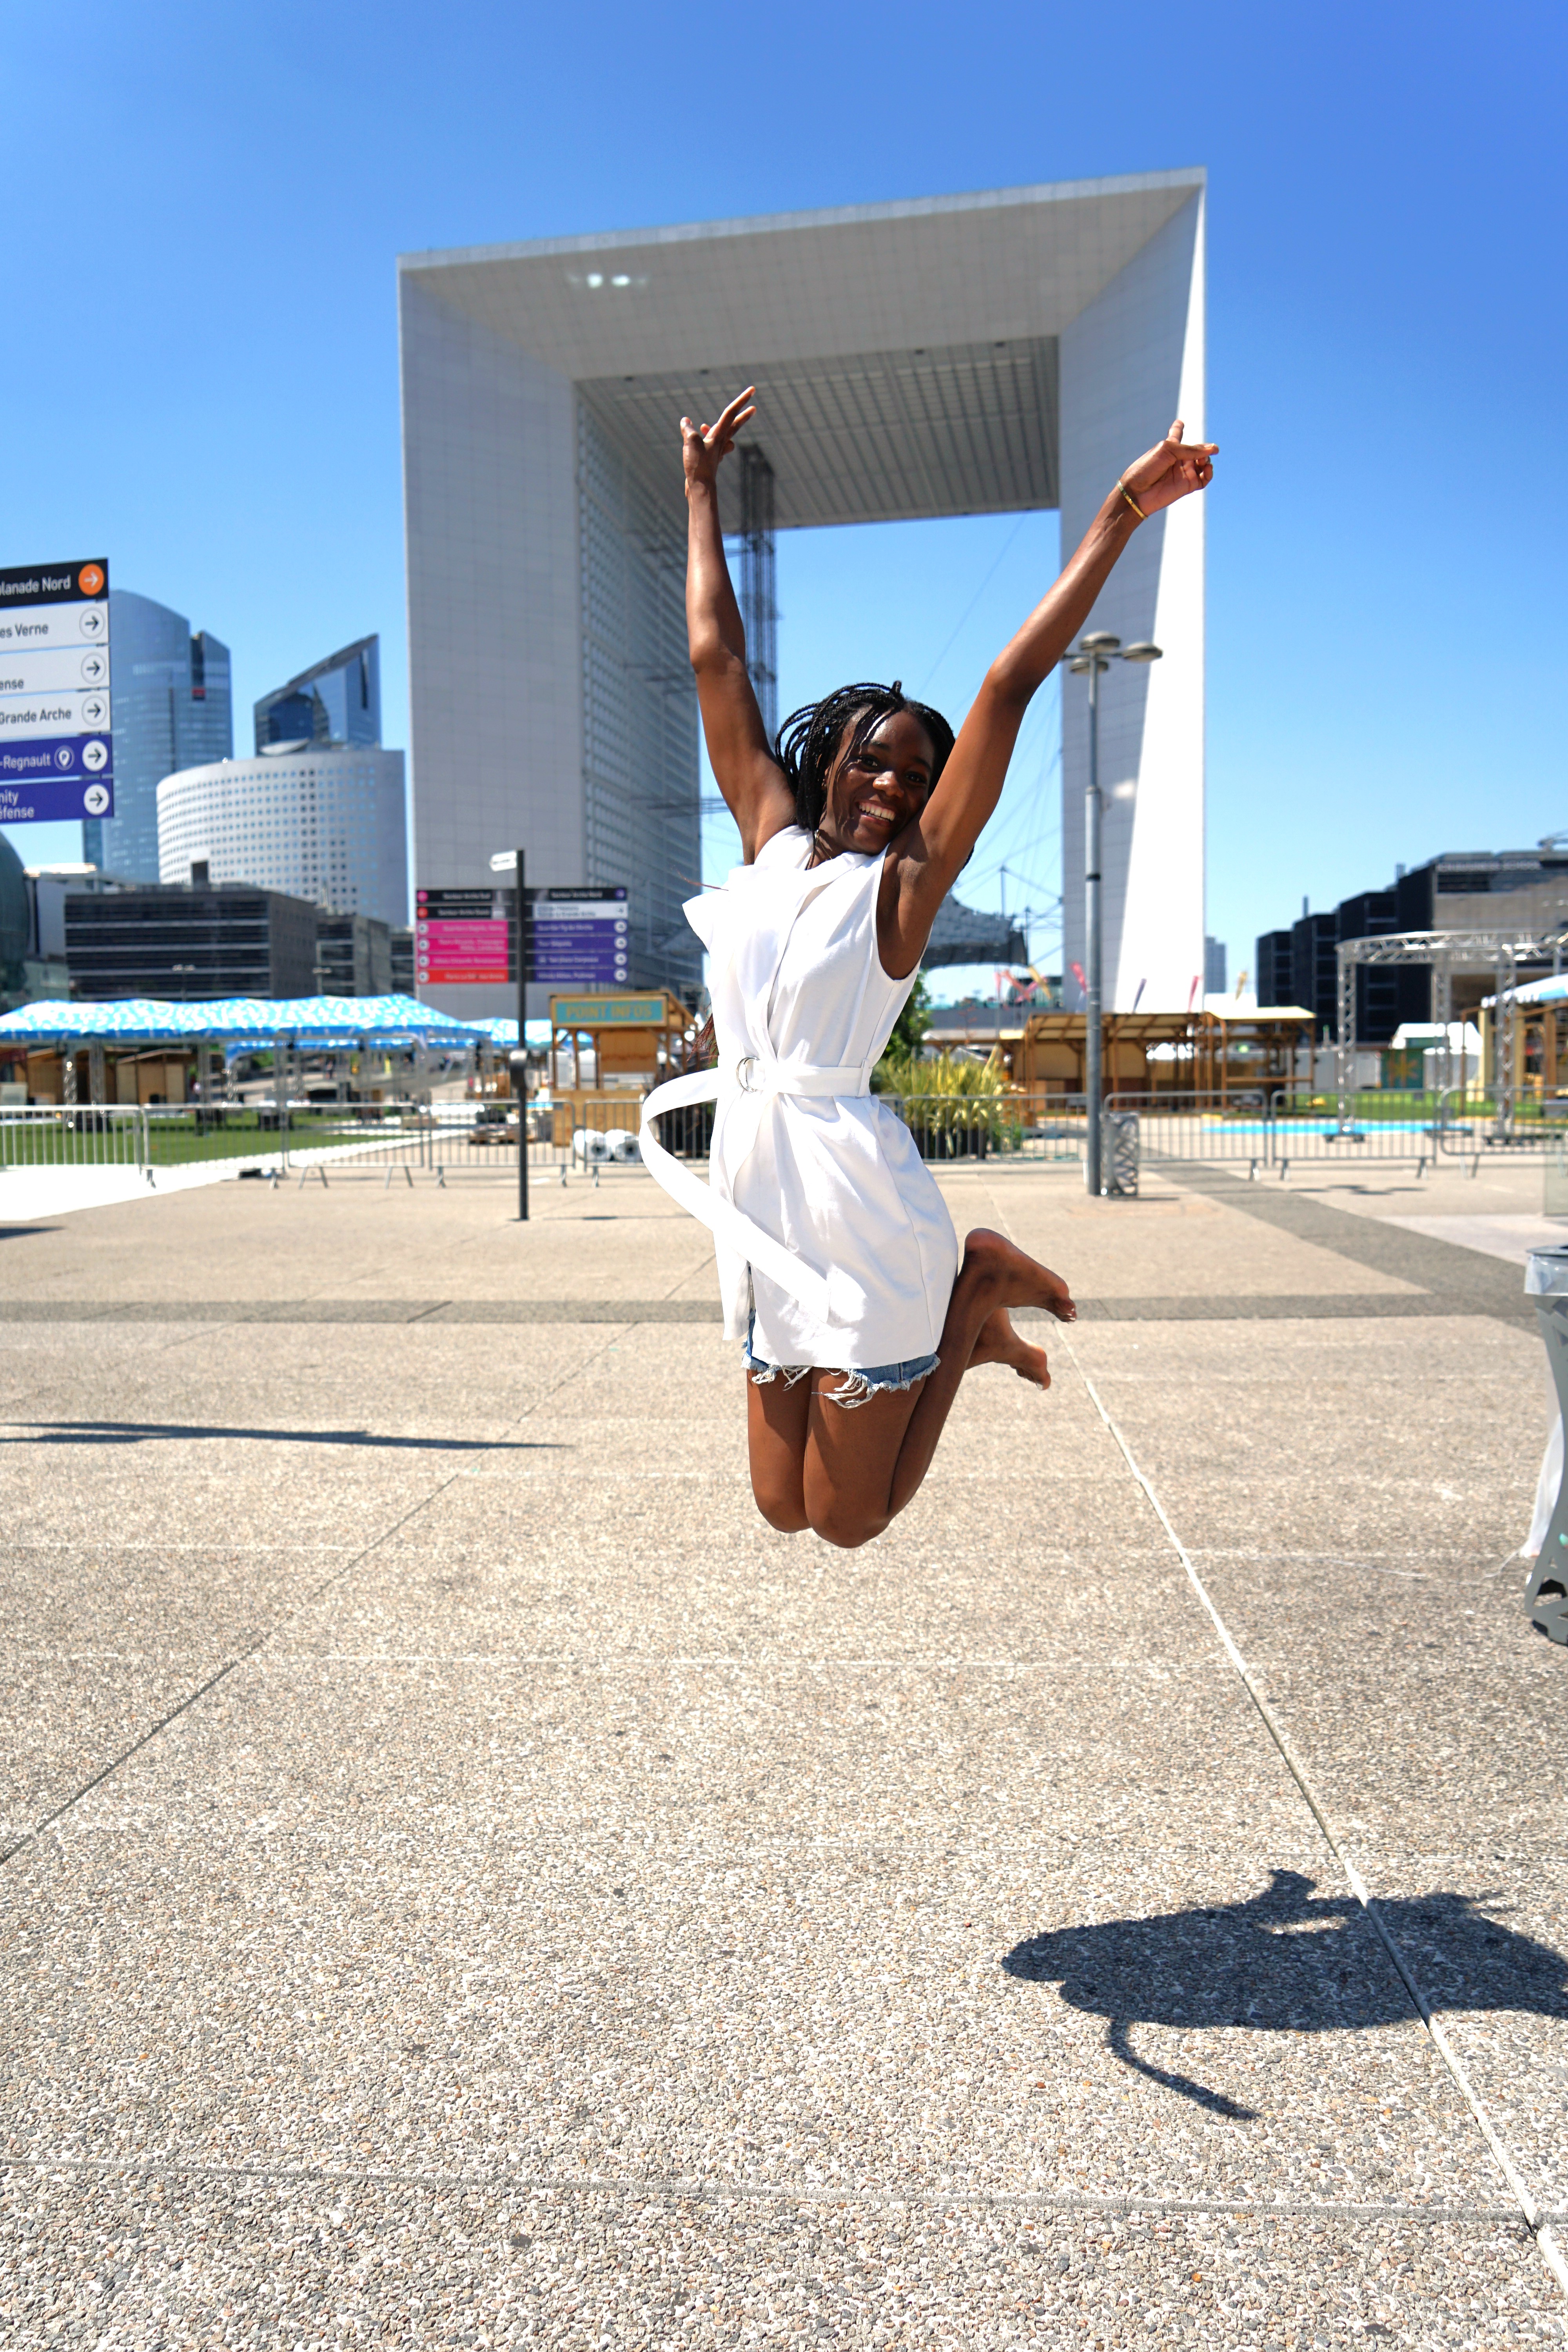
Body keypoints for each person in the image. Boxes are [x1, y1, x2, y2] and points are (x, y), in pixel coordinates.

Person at [640, 386, 1216, 1548]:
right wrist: (700, 489)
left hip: (854, 1201)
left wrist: (1119, 513)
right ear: (832, 762)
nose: (893, 786)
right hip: (759, 1184)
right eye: (873, 762)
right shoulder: (774, 841)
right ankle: (975, 1296)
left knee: (851, 1522)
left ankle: (968, 1301)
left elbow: (1006, 684)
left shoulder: (901, 890)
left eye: (913, 773)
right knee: (777, 1508)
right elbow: (716, 655)